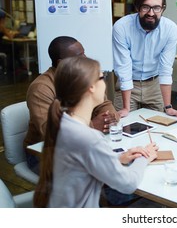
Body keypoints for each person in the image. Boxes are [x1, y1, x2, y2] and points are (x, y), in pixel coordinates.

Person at [33, 56, 158, 207]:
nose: (104, 83)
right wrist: (144, 158)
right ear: (91, 87)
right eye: (101, 77)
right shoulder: (89, 138)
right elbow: (128, 184)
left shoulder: (63, 122)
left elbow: (80, 161)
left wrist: (117, 158)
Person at [24, 36, 119, 174]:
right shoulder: (41, 88)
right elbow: (50, 132)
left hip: (80, 144)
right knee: (105, 171)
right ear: (62, 62)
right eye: (80, 55)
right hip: (43, 154)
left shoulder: (83, 77)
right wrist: (93, 126)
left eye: (84, 52)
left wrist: (109, 117)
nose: (85, 58)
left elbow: (105, 104)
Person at [112, 0, 177, 118]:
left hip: (154, 85)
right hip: (128, 85)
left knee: (157, 128)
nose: (151, 13)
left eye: (156, 8)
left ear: (163, 9)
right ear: (138, 7)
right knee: (125, 127)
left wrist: (168, 107)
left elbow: (165, 68)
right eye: (145, 7)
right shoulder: (121, 27)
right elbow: (124, 68)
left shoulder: (170, 29)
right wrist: (126, 108)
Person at [0, 9, 24, 73]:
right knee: (14, 48)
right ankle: (13, 68)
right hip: (1, 47)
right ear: (2, 19)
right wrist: (15, 33)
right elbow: (10, 37)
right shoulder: (1, 26)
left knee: (14, 47)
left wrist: (10, 32)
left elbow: (6, 32)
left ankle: (20, 65)